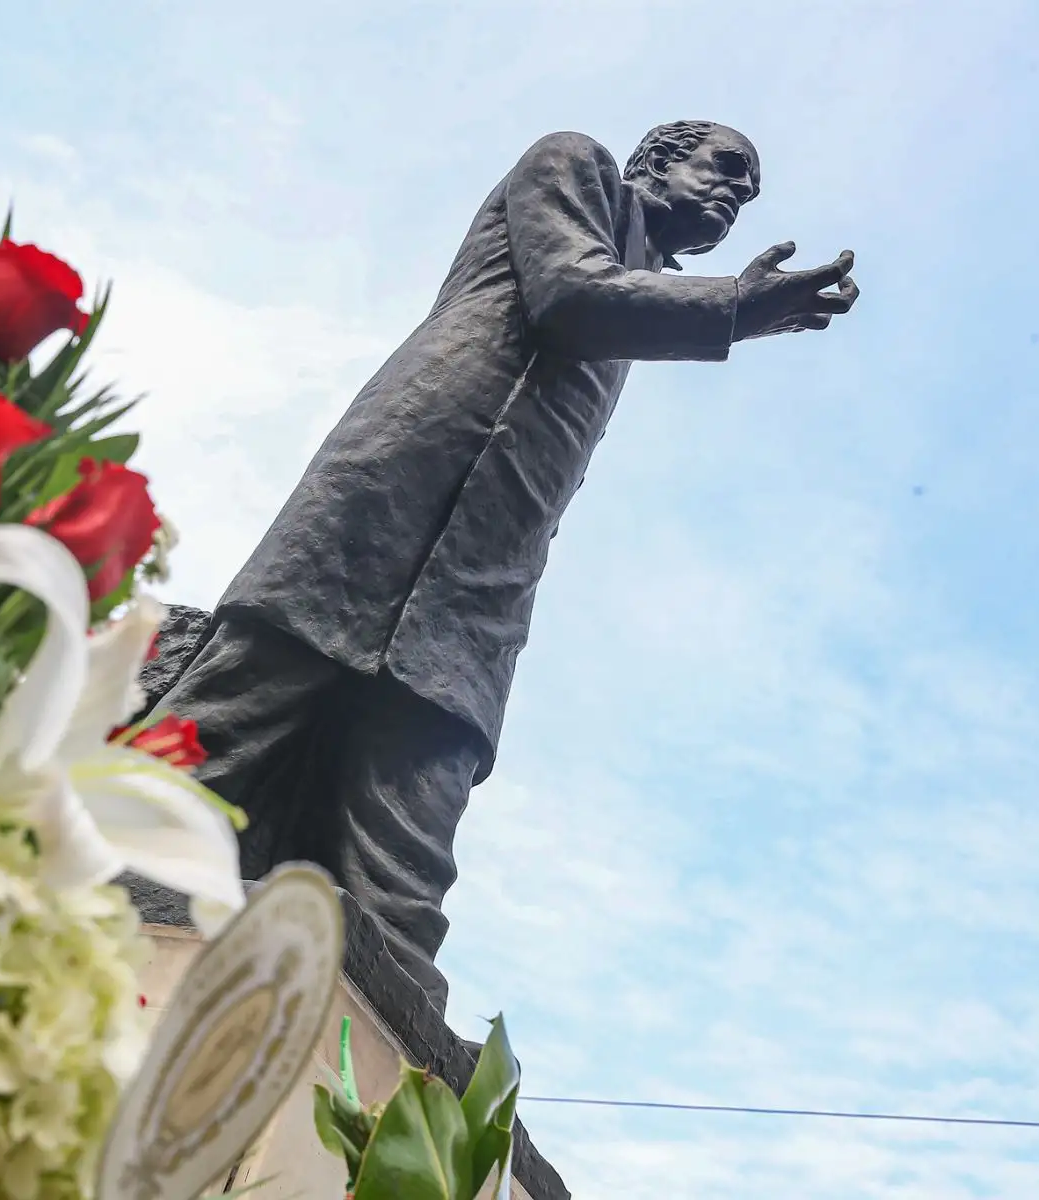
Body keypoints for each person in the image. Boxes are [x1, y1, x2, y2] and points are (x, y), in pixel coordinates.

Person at [154, 121, 860, 1009]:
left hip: (479, 588)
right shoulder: (576, 166)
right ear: (656, 158)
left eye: (747, 194)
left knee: (400, 880)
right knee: (207, 753)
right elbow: (569, 296)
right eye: (724, 168)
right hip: (385, 502)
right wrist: (735, 308)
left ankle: (378, 1087)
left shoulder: (651, 294)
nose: (734, 196)